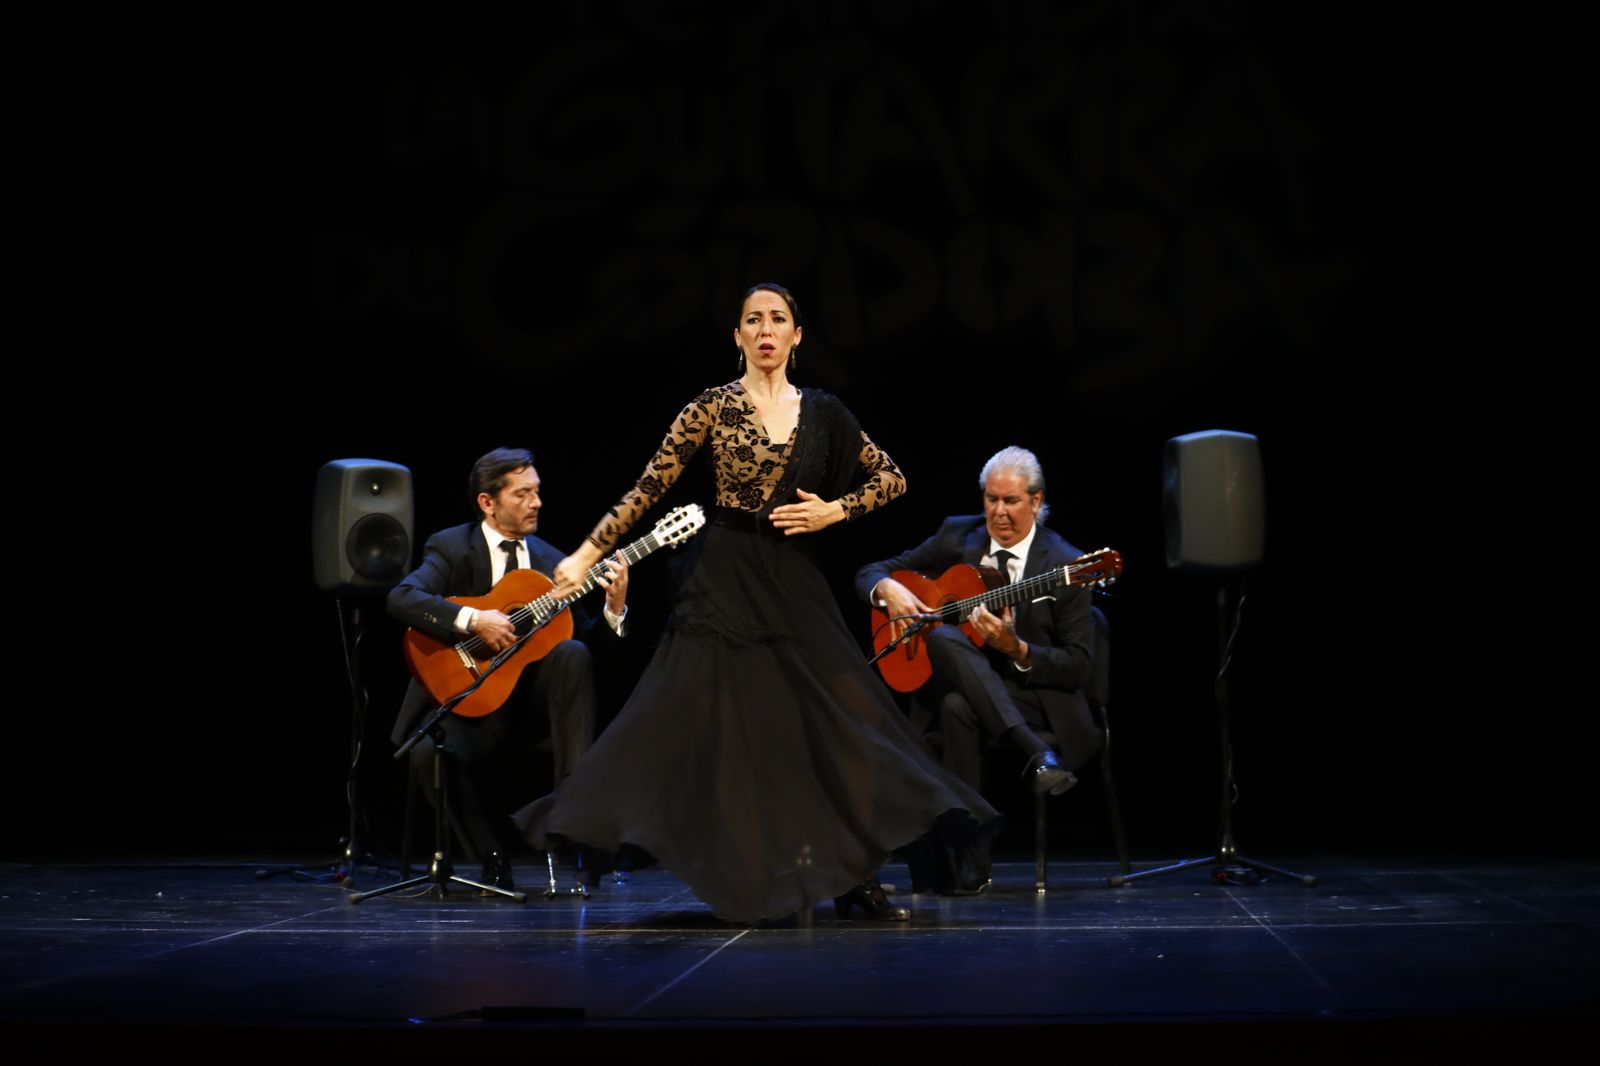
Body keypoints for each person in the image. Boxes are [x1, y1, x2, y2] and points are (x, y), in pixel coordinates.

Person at [513, 283, 1000, 923]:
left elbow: (892, 478)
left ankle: (855, 875)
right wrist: (584, 553)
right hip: (722, 579)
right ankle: (733, 867)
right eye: (753, 320)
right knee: (709, 728)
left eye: (777, 319)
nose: (765, 329)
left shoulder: (824, 412)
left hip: (794, 581)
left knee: (846, 723)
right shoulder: (711, 407)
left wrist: (835, 510)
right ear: (737, 336)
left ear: (797, 336)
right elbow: (648, 487)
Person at [387, 448, 629, 892]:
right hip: (472, 704)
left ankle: (574, 822)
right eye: (522, 494)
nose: (536, 502)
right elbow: (402, 598)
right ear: (488, 502)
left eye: (537, 491)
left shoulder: (553, 563)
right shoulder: (450, 547)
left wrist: (614, 609)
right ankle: (490, 858)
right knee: (427, 754)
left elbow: (587, 646)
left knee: (572, 653)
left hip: (534, 710)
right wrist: (473, 620)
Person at [854, 446, 1098, 798]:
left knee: (957, 704)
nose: (999, 512)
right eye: (991, 499)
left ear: (1035, 501)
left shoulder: (1067, 565)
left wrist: (1018, 649)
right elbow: (870, 572)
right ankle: (1036, 752)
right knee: (943, 638)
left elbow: (1078, 666)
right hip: (950, 678)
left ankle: (969, 832)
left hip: (1029, 694)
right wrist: (887, 588)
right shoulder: (957, 536)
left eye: (1011, 501)